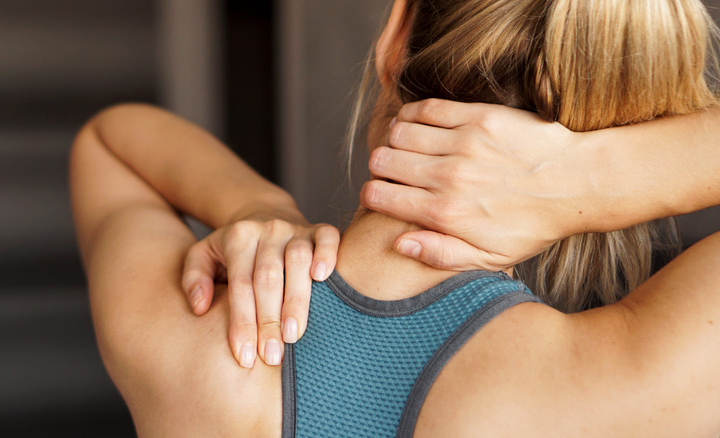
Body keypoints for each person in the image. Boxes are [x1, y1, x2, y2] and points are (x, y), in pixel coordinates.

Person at [70, 0, 720, 436]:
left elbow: (110, 141)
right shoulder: (620, 384)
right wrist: (594, 175)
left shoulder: (201, 344)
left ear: (393, 38)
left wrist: (254, 205)